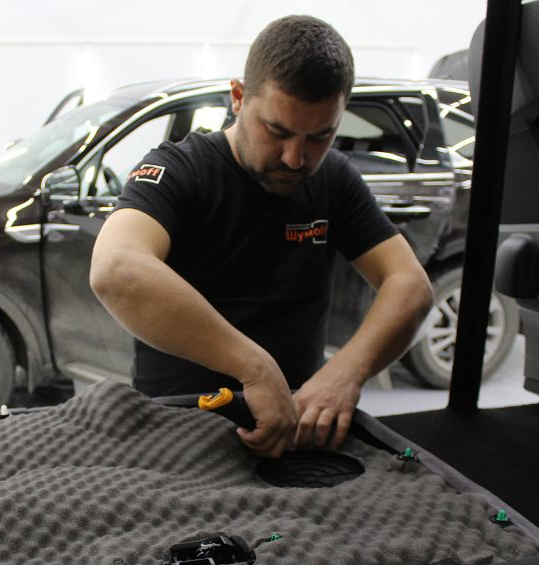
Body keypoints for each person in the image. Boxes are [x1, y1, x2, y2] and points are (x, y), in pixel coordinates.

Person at [89, 15, 434, 458]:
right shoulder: (180, 170)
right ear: (238, 97)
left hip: (295, 437)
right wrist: (255, 370)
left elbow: (410, 285)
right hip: (177, 437)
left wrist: (345, 374)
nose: (295, 159)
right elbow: (116, 269)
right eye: (278, 131)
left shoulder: (334, 179)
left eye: (320, 136)